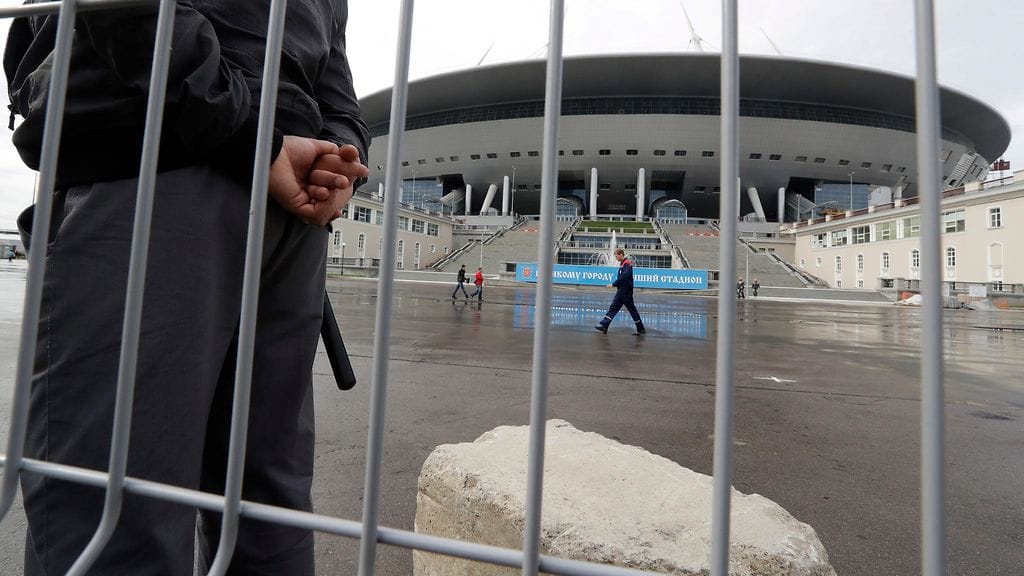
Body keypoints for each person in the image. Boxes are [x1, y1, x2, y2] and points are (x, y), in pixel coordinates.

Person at [5, 2, 369, 575]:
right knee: (267, 510)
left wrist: (307, 151)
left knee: (120, 512)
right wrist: (330, 149)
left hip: (160, 155)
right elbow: (335, 78)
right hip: (278, 196)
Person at [594, 248, 646, 335]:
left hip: (625, 292)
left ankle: (640, 329)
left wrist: (613, 284)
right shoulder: (623, 264)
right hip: (622, 291)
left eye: (616, 256)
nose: (616, 258)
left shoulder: (627, 264)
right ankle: (604, 326)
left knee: (631, 310)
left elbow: (624, 277)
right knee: (613, 308)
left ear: (621, 255)